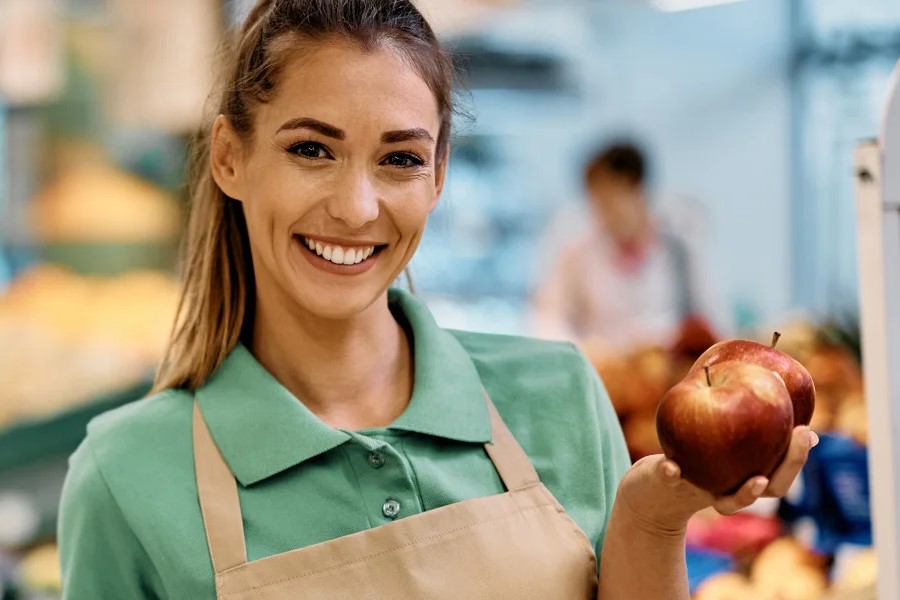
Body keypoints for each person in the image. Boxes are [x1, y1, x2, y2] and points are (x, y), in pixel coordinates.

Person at [57, 2, 813, 598]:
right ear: (229, 156)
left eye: (400, 159)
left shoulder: (556, 395)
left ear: (439, 176)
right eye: (311, 149)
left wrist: (656, 518)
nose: (356, 207)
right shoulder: (127, 478)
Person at [532, 142, 720, 355]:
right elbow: (550, 317)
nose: (601, 211)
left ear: (635, 188)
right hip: (606, 370)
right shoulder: (578, 252)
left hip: (670, 368)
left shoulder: (678, 248)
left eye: (608, 198)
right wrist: (579, 353)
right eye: (596, 201)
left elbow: (709, 317)